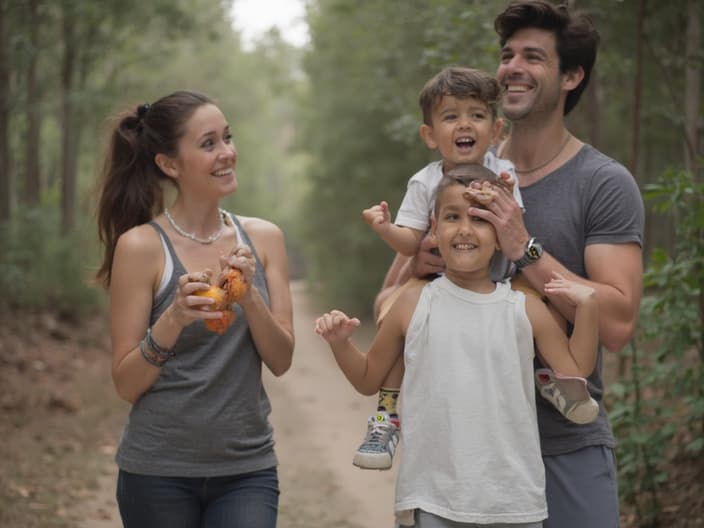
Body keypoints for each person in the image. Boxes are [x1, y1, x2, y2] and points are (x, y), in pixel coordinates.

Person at [383, 2, 645, 526]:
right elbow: (386, 305)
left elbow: (615, 325)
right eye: (507, 55)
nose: (513, 68)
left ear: (572, 76)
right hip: (462, 453)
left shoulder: (602, 183)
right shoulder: (451, 177)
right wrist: (417, 264)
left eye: (533, 57)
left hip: (564, 442)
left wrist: (522, 246)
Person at [315, 168, 600, 527]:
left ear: (500, 235)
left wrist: (588, 309)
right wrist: (341, 344)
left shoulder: (523, 309)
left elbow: (576, 370)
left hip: (514, 502)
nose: (465, 229)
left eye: (480, 219)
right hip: (432, 498)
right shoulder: (412, 303)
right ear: (433, 228)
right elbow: (368, 379)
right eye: (453, 217)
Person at [355, 65, 596, 472]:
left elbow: (512, 228)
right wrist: (386, 230)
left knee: (545, 299)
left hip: (498, 274)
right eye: (451, 117)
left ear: (496, 129)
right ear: (430, 135)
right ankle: (387, 414)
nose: (464, 124)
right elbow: (412, 242)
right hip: (432, 278)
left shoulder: (503, 176)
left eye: (477, 115)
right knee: (390, 314)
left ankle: (553, 381)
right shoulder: (424, 182)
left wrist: (497, 201)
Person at [95, 90, 295, 528]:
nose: (227, 153)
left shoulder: (263, 239)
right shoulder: (141, 248)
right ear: (169, 164)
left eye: (227, 138)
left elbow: (281, 360)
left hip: (247, 470)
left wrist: (249, 297)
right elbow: (127, 384)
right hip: (156, 473)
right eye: (208, 144)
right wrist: (174, 318)